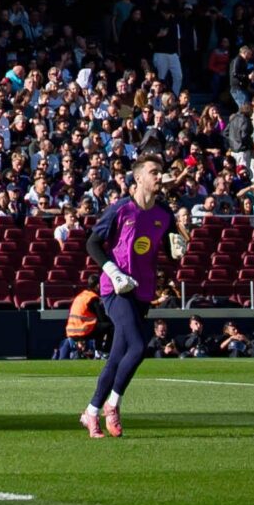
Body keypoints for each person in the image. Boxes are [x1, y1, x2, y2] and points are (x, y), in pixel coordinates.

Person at [81, 158, 174, 438]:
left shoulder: (164, 212)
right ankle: (113, 404)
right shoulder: (121, 208)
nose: (159, 176)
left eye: (160, 172)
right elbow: (92, 243)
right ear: (138, 180)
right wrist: (114, 273)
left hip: (143, 290)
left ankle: (91, 412)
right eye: (153, 172)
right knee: (137, 346)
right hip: (116, 288)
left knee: (118, 356)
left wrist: (178, 249)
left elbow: (170, 249)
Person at [58, 286, 102, 359]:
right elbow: (62, 360)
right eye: (82, 343)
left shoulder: (90, 343)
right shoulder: (68, 343)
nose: (83, 345)